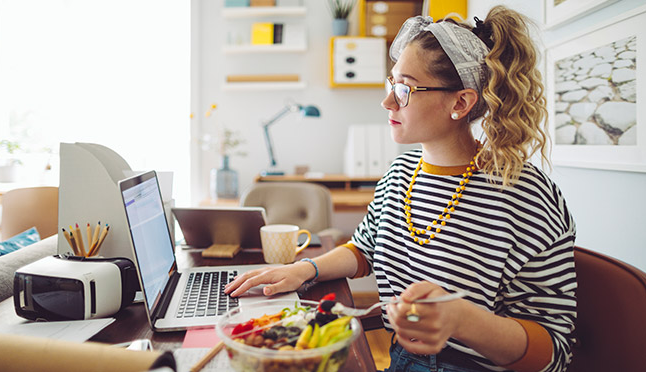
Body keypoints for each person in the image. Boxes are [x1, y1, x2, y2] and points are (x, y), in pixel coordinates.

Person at [225, 6, 576, 372]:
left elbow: (555, 351)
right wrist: (305, 269)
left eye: (405, 88)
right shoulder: (400, 172)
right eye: (392, 83)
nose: (388, 101)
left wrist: (463, 321)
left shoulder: (525, 194)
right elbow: (366, 248)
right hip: (401, 360)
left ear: (461, 102)